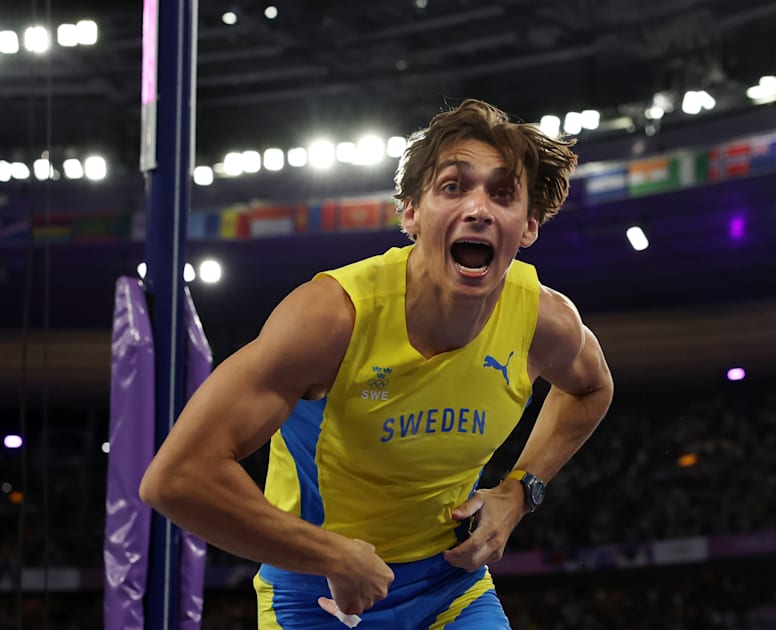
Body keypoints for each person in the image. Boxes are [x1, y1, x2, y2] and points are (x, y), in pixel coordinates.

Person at [140, 99, 613, 628]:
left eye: (502, 193)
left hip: (450, 586)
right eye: (453, 187)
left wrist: (520, 491)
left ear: (527, 226)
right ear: (410, 212)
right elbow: (177, 477)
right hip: (319, 594)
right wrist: (330, 555)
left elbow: (591, 389)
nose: (478, 208)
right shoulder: (331, 317)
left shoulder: (545, 319)